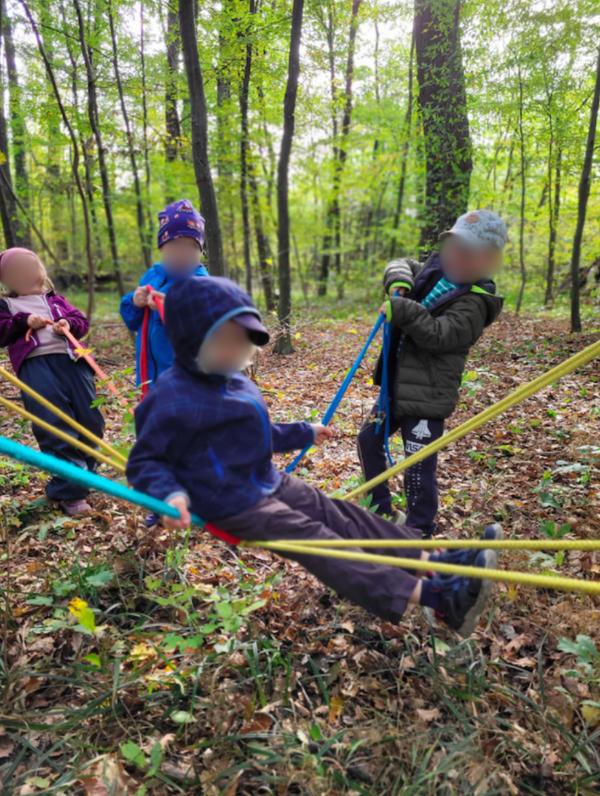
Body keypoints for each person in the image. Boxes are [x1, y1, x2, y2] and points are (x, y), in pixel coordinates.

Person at [127, 276, 503, 638]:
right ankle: (439, 599)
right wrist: (170, 495)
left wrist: (302, 432)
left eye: (243, 342)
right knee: (317, 539)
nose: (238, 352)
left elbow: (253, 436)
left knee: (341, 513)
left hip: (265, 482)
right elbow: (146, 463)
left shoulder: (233, 379)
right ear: (193, 341)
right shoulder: (170, 397)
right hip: (229, 503)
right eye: (226, 342)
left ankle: (432, 562)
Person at [358, 210, 507, 537]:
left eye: (468, 252)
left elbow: (440, 335)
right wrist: (397, 280)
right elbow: (401, 264)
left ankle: (419, 529)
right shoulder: (433, 270)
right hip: (395, 386)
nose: (456, 256)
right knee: (368, 440)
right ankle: (381, 510)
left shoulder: (476, 303)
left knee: (418, 467)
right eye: (454, 246)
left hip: (427, 398)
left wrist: (404, 310)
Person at [0, 247, 104, 516]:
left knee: (91, 420)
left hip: (73, 363)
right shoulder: (7, 306)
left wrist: (67, 324)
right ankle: (70, 491)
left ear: (39, 271)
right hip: (37, 367)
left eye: (27, 266)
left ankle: (85, 475)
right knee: (54, 423)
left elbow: (81, 322)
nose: (23, 273)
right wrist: (24, 322)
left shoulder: (57, 300)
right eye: (14, 270)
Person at [120, 199, 209, 389]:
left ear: (200, 251)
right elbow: (132, 321)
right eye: (175, 245)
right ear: (162, 248)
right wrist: (135, 302)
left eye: (191, 246)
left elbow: (205, 322)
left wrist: (172, 307)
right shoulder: (153, 276)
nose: (182, 253)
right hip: (150, 381)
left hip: (187, 383)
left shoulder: (200, 283)